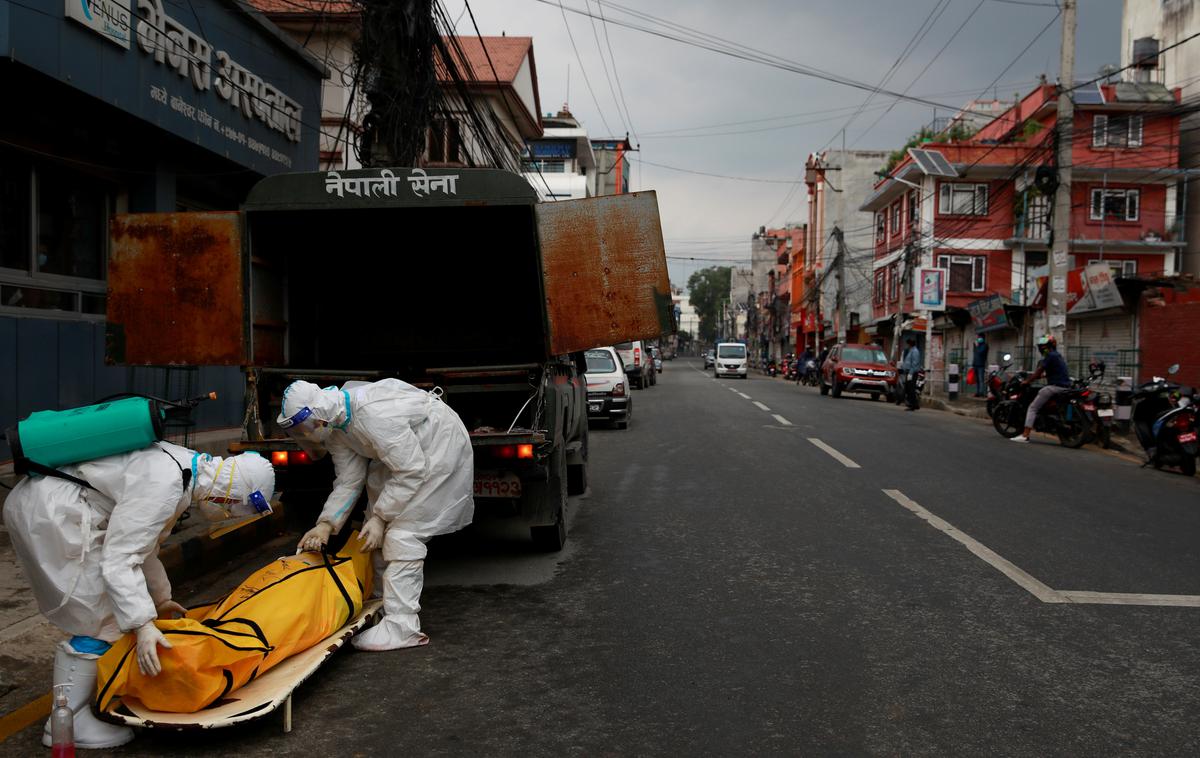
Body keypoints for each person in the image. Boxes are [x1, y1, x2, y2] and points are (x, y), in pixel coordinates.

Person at [3, 443, 275, 748]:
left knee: (107, 611)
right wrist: (143, 623)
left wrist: (160, 598)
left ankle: (74, 711)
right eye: (236, 505)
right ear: (236, 491)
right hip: (53, 513)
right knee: (99, 619)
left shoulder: (183, 470)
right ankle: (67, 721)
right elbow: (121, 558)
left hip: (50, 504)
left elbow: (145, 548)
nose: (228, 511)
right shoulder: (169, 485)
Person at [280, 378, 474, 651]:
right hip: (406, 454)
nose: (306, 435)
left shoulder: (373, 413)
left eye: (305, 427)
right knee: (373, 529)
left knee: (403, 531)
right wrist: (325, 524)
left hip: (438, 445)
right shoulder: (336, 426)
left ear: (318, 416)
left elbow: (411, 470)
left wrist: (382, 518)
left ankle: (402, 626)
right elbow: (349, 480)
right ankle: (384, 606)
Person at [1011, 335, 1072, 443]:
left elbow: (1039, 371)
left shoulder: (1049, 356)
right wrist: (1042, 376)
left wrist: (1027, 381)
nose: (1042, 348)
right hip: (1065, 387)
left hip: (1055, 387)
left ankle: (1025, 435)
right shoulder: (1057, 355)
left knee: (1032, 408)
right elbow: (1052, 372)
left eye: (1042, 346)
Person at [901, 338, 922, 410]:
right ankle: (914, 404)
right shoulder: (911, 351)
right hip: (909, 372)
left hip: (912, 373)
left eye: (907, 344)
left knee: (911, 389)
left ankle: (913, 404)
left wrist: (910, 373)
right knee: (908, 388)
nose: (907, 345)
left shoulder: (915, 351)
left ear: (910, 344)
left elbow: (915, 363)